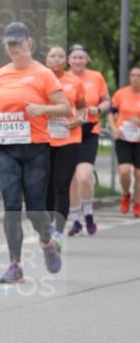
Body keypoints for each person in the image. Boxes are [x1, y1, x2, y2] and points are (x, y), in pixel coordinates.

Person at [0, 22, 70, 284]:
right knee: (12, 207)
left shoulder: (43, 74)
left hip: (35, 149)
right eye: (9, 44)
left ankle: (46, 240)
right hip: (6, 148)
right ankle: (15, 265)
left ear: (29, 43)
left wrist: (43, 110)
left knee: (35, 210)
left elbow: (64, 107)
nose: (14, 48)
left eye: (18, 43)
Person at [66, 44, 110, 236]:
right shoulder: (60, 78)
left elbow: (107, 101)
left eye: (81, 57)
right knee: (71, 180)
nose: (77, 61)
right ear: (68, 60)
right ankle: (76, 219)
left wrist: (98, 109)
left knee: (84, 176)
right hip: (67, 131)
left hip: (89, 130)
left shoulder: (96, 77)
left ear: (87, 59)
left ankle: (89, 213)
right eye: (74, 57)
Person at [44, 46, 85, 248]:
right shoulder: (39, 79)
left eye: (61, 56)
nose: (57, 59)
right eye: (53, 56)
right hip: (44, 138)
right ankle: (49, 224)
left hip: (69, 138)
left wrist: (78, 119)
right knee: (47, 185)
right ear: (46, 59)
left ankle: (58, 231)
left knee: (62, 184)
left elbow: (83, 107)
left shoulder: (75, 81)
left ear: (66, 60)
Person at [108, 66, 140, 216]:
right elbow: (110, 113)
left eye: (138, 75)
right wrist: (114, 128)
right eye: (132, 75)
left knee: (139, 174)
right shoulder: (121, 94)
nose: (135, 78)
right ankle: (126, 194)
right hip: (124, 137)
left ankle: (137, 202)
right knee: (124, 170)